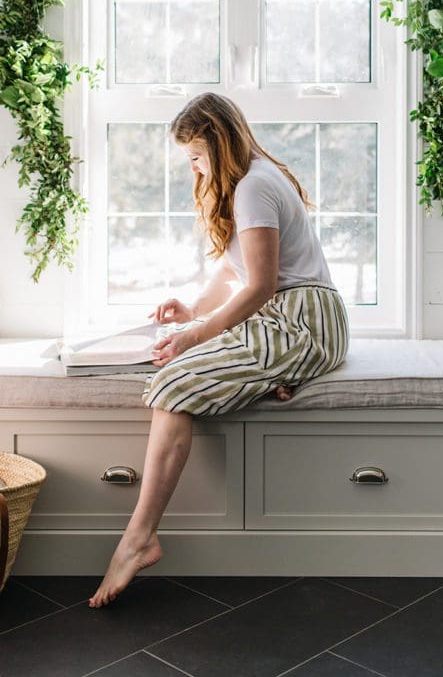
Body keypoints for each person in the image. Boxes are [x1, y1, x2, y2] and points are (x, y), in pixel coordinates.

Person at [89, 93, 349, 608]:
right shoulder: (248, 181)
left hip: (303, 321)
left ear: (219, 142)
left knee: (172, 382)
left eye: (196, 155)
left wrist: (195, 335)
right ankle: (271, 375)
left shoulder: (254, 187)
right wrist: (192, 308)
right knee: (177, 368)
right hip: (288, 315)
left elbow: (260, 288)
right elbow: (235, 270)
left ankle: (138, 538)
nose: (194, 167)